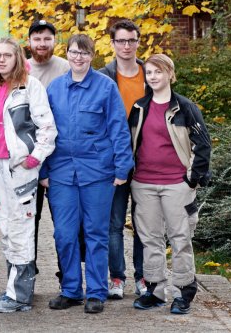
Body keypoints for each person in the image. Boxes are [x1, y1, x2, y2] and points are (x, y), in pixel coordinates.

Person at [41, 34, 134, 314]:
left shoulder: (105, 87)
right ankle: (70, 289)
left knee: (96, 233)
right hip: (61, 173)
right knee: (65, 234)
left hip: (98, 172)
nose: (78, 57)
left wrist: (122, 167)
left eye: (84, 53)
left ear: (92, 56)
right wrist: (43, 170)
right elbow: (44, 131)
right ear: (66, 54)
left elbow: (119, 128)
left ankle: (96, 291)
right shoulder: (55, 88)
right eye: (73, 52)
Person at [0, 37, 57, 313]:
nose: (2, 60)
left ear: (18, 57)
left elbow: (47, 128)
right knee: (6, 228)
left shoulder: (30, 86)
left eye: (8, 55)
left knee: (20, 227)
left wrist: (34, 158)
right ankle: (15, 289)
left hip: (18, 168)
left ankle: (19, 296)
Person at [129, 54, 211, 314]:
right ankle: (154, 290)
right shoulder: (139, 107)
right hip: (143, 183)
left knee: (180, 238)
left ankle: (184, 291)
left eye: (158, 72)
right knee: (150, 239)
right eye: (149, 73)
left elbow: (203, 145)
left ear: (170, 75)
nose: (153, 77)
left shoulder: (185, 108)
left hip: (177, 184)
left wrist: (192, 179)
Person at [99, 19, 147, 299]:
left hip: (145, 161)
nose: (127, 46)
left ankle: (143, 277)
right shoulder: (104, 77)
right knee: (113, 223)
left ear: (138, 42)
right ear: (113, 43)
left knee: (144, 223)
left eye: (131, 40)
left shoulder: (150, 74)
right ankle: (117, 278)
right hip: (114, 161)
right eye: (121, 41)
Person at [25, 19, 70, 277]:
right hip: (27, 157)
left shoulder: (65, 67)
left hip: (58, 158)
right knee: (29, 218)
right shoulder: (22, 68)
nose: (42, 43)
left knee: (64, 221)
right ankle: (27, 270)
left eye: (47, 38)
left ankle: (67, 273)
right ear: (29, 41)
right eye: (37, 38)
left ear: (55, 41)